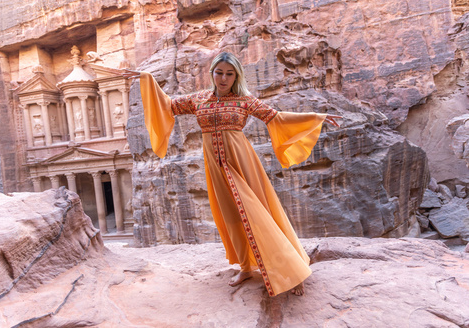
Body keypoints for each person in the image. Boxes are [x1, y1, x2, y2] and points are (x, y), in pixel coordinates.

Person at [123, 52, 341, 297]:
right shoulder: (198, 100)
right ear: (212, 73)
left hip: (242, 163)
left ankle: (292, 271)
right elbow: (167, 106)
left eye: (229, 73)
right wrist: (146, 79)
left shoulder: (244, 100)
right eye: (219, 72)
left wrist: (316, 118)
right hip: (215, 167)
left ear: (236, 75)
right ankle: (246, 266)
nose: (223, 78)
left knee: (260, 213)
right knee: (231, 216)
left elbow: (275, 117)